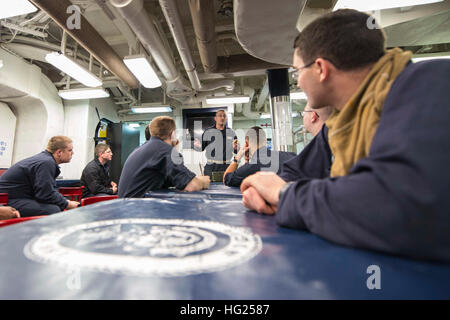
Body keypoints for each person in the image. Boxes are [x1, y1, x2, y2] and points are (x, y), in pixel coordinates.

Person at [241, 9, 450, 262]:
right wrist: (264, 191)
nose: (297, 83)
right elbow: (295, 172)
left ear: (320, 69)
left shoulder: (430, 84)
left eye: (297, 72)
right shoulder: (339, 123)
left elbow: (396, 206)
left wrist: (286, 196)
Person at [118, 116, 210, 198]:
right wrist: (202, 182)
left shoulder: (145, 148)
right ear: (173, 134)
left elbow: (173, 180)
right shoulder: (164, 150)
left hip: (126, 207)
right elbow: (192, 186)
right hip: (137, 210)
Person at [0, 136, 79, 217]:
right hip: (6, 200)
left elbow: (46, 192)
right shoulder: (46, 163)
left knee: (56, 207)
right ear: (59, 152)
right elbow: (45, 194)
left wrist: (65, 202)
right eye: (70, 150)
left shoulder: (45, 160)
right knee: (53, 210)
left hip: (16, 197)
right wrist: (67, 203)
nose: (72, 153)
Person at [223, 126, 296, 187]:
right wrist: (247, 162)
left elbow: (227, 179)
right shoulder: (292, 156)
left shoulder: (253, 166)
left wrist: (237, 157)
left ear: (246, 143)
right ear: (265, 141)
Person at [278, 103, 334, 182]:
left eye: (304, 113)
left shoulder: (327, 139)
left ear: (313, 116)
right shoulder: (328, 137)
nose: (303, 117)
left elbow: (298, 171)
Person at [193, 109, 238, 178]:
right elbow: (201, 148)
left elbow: (236, 150)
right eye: (220, 116)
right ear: (215, 118)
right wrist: (197, 146)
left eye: (224, 116)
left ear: (226, 118)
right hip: (211, 167)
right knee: (210, 187)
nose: (222, 118)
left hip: (227, 166)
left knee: (228, 187)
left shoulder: (231, 132)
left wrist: (236, 148)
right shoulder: (208, 132)